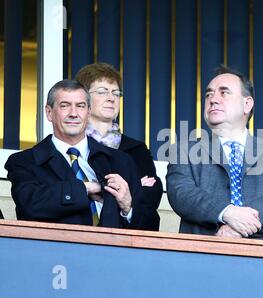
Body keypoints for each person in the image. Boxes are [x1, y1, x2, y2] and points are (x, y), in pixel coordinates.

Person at [166, 66, 263, 240]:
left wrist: (238, 227)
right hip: (203, 254)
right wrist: (227, 213)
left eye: (224, 93)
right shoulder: (183, 150)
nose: (213, 99)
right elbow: (181, 194)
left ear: (247, 104)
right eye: (208, 95)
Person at [5, 79, 159, 230]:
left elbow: (151, 226)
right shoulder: (24, 161)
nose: (73, 113)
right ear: (49, 112)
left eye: (80, 106)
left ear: (88, 112)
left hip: (113, 254)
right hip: (54, 253)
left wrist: (128, 207)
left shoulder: (120, 161)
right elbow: (31, 205)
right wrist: (87, 188)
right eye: (65, 106)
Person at [75, 62, 162, 230]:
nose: (111, 98)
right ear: (83, 98)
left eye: (116, 93)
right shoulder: (74, 145)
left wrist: (101, 192)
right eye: (102, 91)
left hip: (125, 238)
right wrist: (134, 187)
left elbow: (152, 198)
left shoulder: (137, 149)